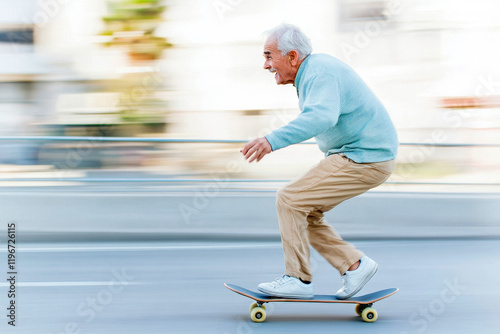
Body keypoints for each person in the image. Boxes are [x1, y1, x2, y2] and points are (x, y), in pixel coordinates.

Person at [240, 23, 398, 300]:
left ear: (291, 56)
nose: (265, 65)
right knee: (303, 210)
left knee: (289, 199)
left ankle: (297, 279)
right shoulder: (313, 72)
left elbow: (321, 117)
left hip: (365, 157)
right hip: (362, 156)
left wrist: (271, 140)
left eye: (268, 55)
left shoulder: (319, 71)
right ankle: (355, 266)